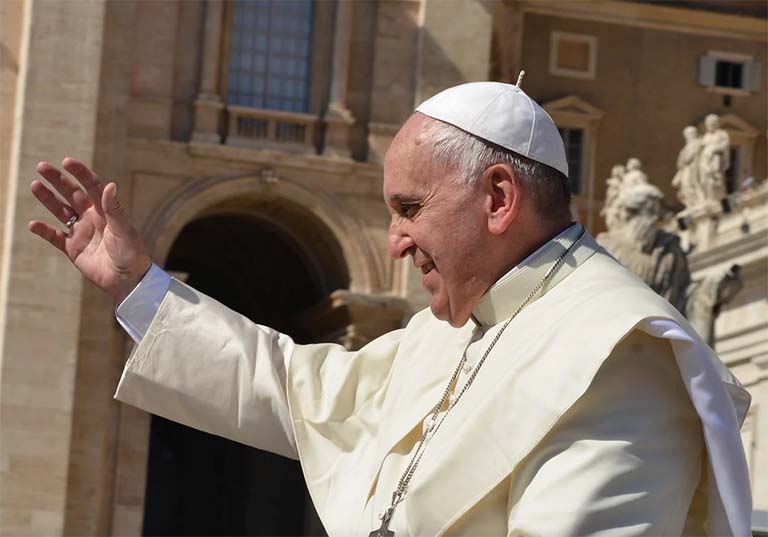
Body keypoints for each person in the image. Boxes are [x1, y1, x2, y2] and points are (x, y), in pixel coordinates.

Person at [29, 82, 751, 536]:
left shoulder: (622, 354)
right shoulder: (447, 332)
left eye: (409, 208)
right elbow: (289, 386)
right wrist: (137, 285)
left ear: (499, 199)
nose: (396, 242)